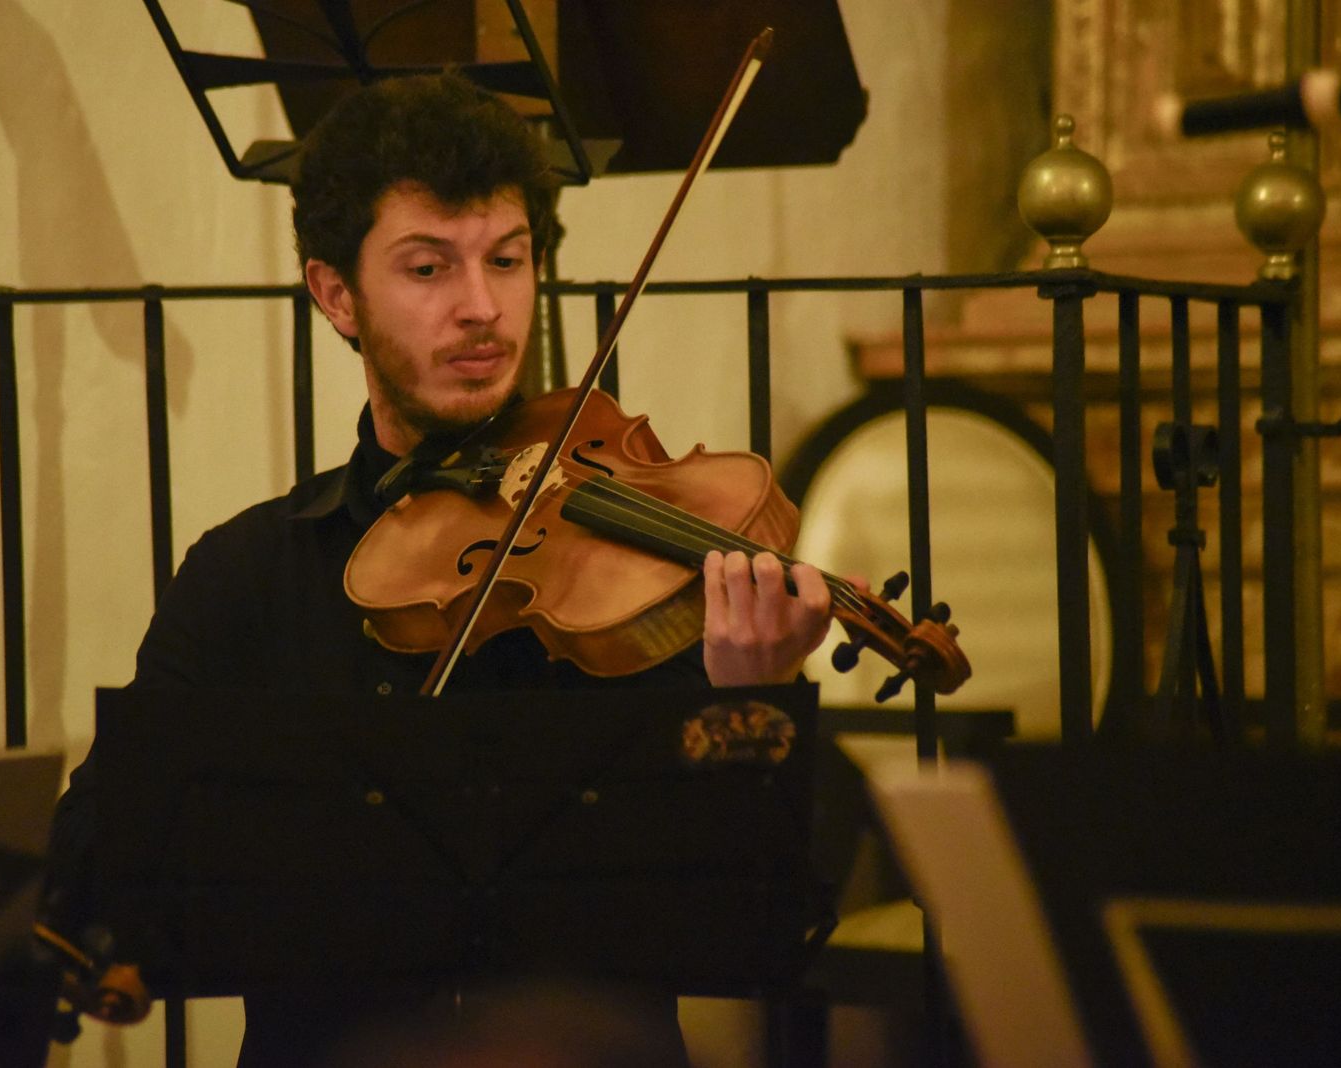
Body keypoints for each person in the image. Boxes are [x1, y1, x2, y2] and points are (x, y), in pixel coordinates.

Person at [47, 71, 833, 1066]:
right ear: (334, 293)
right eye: (427, 269)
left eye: (506, 260)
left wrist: (751, 700)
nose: (481, 308)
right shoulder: (248, 575)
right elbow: (101, 848)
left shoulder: (633, 575)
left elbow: (775, 924)